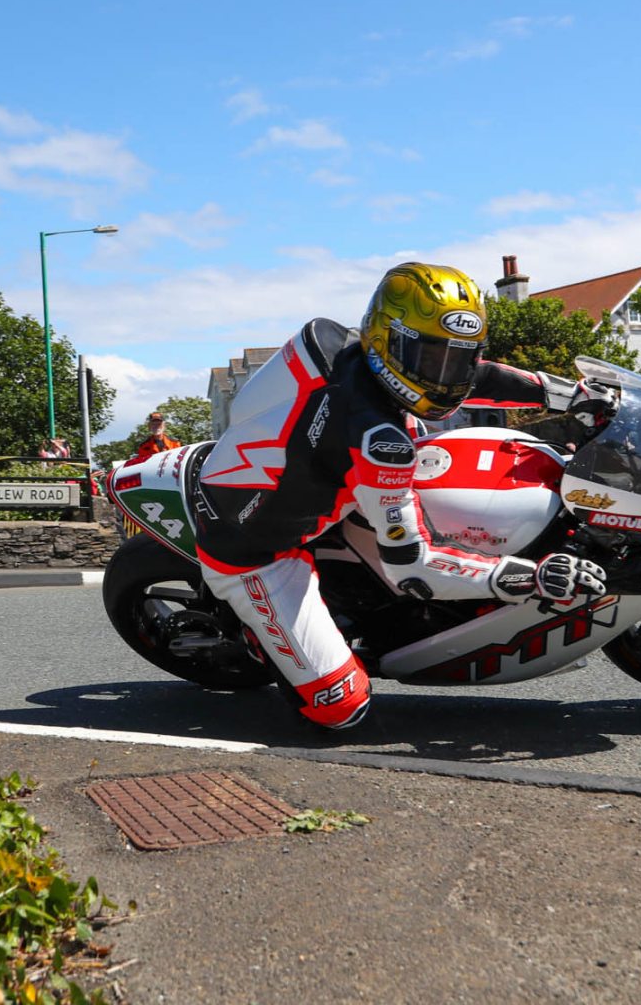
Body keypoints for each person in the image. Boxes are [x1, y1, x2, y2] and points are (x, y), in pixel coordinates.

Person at [187, 262, 617, 729]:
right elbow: (414, 569)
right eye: (431, 359)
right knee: (340, 708)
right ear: (386, 339)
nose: (446, 376)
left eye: (458, 357)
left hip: (304, 475)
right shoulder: (380, 442)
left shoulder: (328, 338)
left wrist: (570, 394)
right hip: (255, 550)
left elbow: (476, 376)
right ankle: (260, 638)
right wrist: (531, 578)